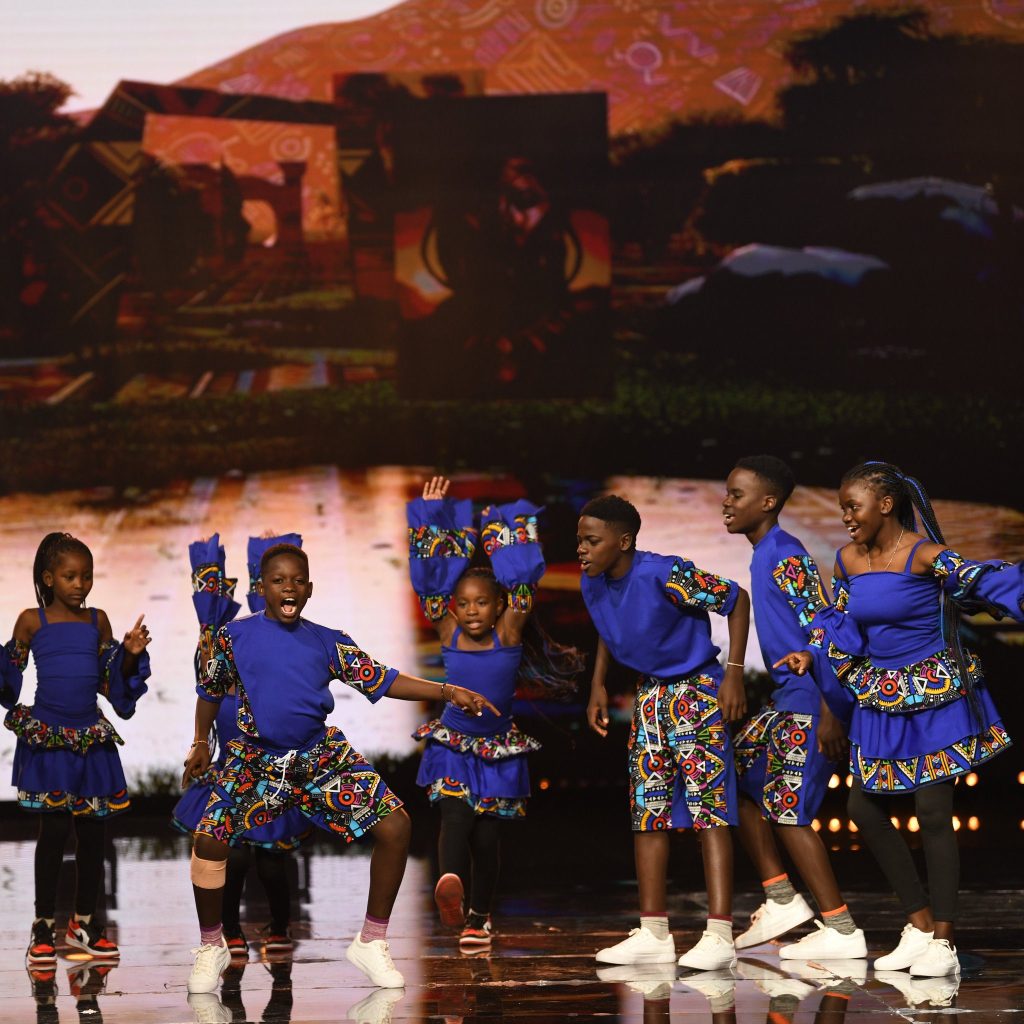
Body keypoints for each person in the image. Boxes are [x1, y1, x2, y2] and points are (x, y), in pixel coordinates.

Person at [181, 542, 500, 996]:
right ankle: (211, 945)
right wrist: (200, 741)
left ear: (309, 589)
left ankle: (371, 941)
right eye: (278, 580)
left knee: (396, 826)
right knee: (209, 838)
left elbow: (384, 678)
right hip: (257, 761)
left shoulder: (327, 641)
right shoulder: (235, 637)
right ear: (262, 588)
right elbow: (210, 692)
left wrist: (448, 691)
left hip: (318, 758)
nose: (289, 587)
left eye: (297, 580)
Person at [775, 461, 1022, 977]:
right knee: (862, 808)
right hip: (881, 697)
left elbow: (980, 582)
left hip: (934, 695)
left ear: (885, 505)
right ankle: (920, 927)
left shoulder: (925, 555)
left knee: (932, 812)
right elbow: (844, 630)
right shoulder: (847, 560)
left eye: (853, 506)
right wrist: (809, 656)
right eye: (842, 507)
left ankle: (944, 943)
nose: (846, 516)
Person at [580, 494, 751, 971]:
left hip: (696, 692)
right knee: (647, 811)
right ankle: (653, 933)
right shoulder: (591, 579)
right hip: (649, 697)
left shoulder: (665, 573)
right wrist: (597, 684)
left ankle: (719, 934)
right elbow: (606, 627)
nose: (582, 549)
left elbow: (736, 599)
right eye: (580, 540)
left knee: (709, 811)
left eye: (591, 540)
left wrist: (734, 674)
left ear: (624, 541)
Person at [408, 476, 581, 948]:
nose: (470, 611)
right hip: (452, 745)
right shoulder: (448, 631)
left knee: (486, 841)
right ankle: (449, 882)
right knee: (454, 818)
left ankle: (479, 917)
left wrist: (506, 524)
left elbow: (524, 583)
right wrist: (432, 515)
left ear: (500, 604)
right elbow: (430, 583)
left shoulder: (508, 631)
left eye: (481, 602)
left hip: (498, 749)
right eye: (463, 603)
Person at [722, 456, 865, 959]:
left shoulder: (785, 553)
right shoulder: (765, 552)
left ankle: (841, 929)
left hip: (810, 701)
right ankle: (781, 897)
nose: (726, 503)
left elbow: (823, 630)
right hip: (789, 699)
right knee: (728, 776)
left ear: (768, 502)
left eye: (737, 495)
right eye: (727, 493)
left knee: (789, 813)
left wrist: (830, 709)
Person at [1, 532, 151, 965]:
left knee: (92, 837)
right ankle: (43, 926)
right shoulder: (31, 621)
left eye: (87, 576)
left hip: (90, 741)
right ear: (49, 578)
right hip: (50, 740)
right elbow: (9, 679)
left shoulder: (97, 621)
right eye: (70, 576)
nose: (80, 584)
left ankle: (84, 924)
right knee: (52, 835)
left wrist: (129, 654)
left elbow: (110, 681)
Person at [173, 533, 310, 958]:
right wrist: (199, 744)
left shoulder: (269, 665)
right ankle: (230, 930)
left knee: (271, 863)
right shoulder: (218, 673)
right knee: (230, 858)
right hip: (229, 778)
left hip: (272, 777)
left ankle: (280, 927)